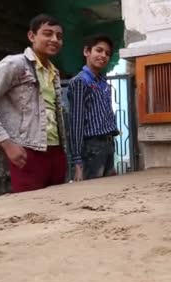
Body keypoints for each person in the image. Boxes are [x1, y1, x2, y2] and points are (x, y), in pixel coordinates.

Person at [0, 14, 67, 193]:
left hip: (56, 151)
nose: (54, 40)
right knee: (31, 212)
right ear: (32, 36)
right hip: (28, 152)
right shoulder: (15, 64)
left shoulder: (54, 72)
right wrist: (7, 144)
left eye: (59, 37)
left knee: (60, 210)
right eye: (48, 34)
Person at [68, 35, 119, 181]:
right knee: (93, 193)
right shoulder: (80, 82)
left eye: (107, 53)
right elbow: (76, 122)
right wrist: (77, 161)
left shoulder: (102, 83)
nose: (103, 55)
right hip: (91, 148)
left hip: (108, 145)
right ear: (87, 52)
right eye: (99, 50)